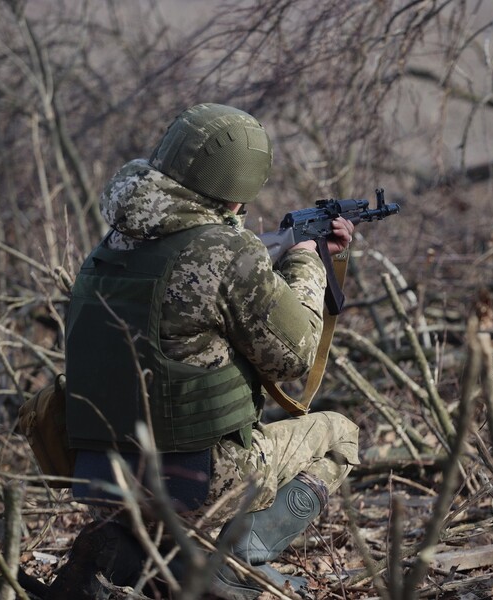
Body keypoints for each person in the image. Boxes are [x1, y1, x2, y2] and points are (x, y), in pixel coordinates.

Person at [48, 103, 360, 599]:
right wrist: (308, 263)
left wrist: (266, 256)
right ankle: (234, 562)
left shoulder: (111, 245)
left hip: (101, 478)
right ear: (239, 186)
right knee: (340, 435)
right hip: (195, 481)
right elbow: (295, 356)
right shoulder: (223, 253)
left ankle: (133, 550)